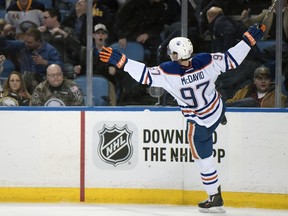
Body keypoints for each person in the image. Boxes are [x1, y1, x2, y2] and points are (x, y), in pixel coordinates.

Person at [98, 24, 266, 212]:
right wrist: (248, 41)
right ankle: (221, 117)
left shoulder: (168, 71)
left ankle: (214, 196)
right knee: (218, 95)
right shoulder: (205, 60)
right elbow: (232, 59)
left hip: (200, 122)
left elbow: (144, 75)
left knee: (203, 158)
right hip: (216, 109)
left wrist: (123, 62)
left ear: (176, 55)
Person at [0, 27, 63, 94]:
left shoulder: (49, 50)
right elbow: (5, 44)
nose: (26, 44)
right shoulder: (22, 46)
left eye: (30, 42)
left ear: (38, 41)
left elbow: (60, 66)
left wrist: (44, 62)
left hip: (43, 83)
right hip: (24, 82)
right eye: (25, 41)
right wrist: (3, 34)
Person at [75, 23, 117, 105]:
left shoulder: (112, 52)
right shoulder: (86, 51)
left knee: (110, 86)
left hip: (106, 81)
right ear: (94, 35)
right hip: (89, 81)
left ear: (106, 36)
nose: (100, 36)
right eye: (98, 33)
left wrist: (114, 70)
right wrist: (78, 69)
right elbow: (81, 67)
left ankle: (113, 109)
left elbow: (116, 70)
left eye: (103, 33)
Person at [115, 0, 166, 66]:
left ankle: (154, 70)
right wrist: (121, 36)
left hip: (147, 35)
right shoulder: (133, 2)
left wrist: (148, 34)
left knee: (159, 47)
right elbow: (119, 19)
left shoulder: (160, 6)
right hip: (129, 33)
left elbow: (159, 25)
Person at [38, 8, 82, 79]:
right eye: (43, 18)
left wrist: (64, 34)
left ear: (55, 18)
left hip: (63, 64)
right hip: (45, 64)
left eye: (45, 18)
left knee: (70, 69)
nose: (43, 20)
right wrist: (36, 32)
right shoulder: (42, 33)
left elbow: (77, 47)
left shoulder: (67, 31)